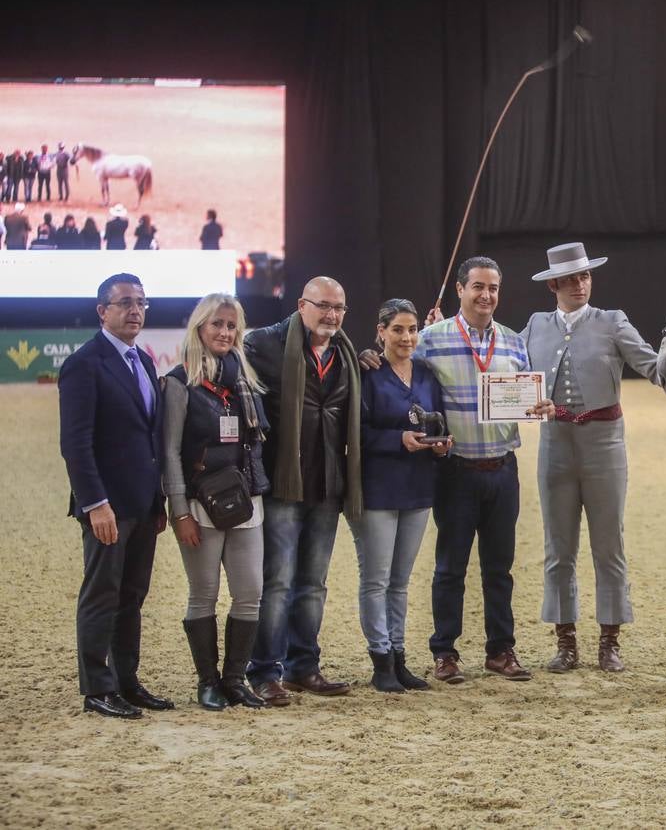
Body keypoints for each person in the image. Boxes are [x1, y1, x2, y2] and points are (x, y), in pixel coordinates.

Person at [523, 243, 666, 672]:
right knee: (558, 548)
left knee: (609, 545)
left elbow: (653, 366)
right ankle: (565, 641)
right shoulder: (535, 326)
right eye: (570, 279)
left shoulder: (611, 322)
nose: (579, 284)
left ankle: (609, 640)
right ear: (553, 284)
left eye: (585, 276)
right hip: (554, 445)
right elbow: (502, 364)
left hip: (604, 445)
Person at [390, 257, 549, 684]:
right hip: (456, 472)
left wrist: (540, 406)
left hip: (502, 468)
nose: (486, 295)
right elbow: (398, 365)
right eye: (477, 286)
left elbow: (527, 399)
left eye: (493, 288)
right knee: (450, 568)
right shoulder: (430, 339)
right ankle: (445, 652)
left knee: (500, 568)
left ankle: (501, 650)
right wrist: (373, 357)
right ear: (460, 289)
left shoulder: (515, 343)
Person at [243, 277, 363, 705]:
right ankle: (264, 671)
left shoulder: (347, 354)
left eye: (339, 308)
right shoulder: (263, 345)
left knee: (313, 582)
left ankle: (303, 666)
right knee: (276, 582)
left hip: (328, 485)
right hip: (284, 485)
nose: (331, 315)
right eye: (323, 306)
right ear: (301, 305)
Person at [58, 273, 172, 719]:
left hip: (142, 506)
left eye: (141, 302)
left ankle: (126, 680)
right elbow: (76, 444)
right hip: (106, 507)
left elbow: (150, 439)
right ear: (102, 311)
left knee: (132, 596)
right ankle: (97, 688)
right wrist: (95, 504)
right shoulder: (84, 364)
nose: (135, 310)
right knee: (102, 595)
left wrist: (157, 502)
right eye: (124, 302)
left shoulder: (143, 361)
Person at [162, 294, 271, 710]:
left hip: (246, 504)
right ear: (199, 329)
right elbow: (170, 451)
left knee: (250, 593)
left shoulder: (246, 380)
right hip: (200, 507)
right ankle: (207, 682)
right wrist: (180, 512)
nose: (225, 332)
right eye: (217, 325)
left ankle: (235, 680)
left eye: (231, 326)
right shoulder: (179, 382)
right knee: (203, 593)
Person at [354, 299, 450, 692]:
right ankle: (380, 660)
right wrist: (398, 439)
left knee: (400, 581)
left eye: (412, 330)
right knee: (375, 579)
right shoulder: (368, 375)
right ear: (381, 331)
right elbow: (355, 433)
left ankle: (398, 656)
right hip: (378, 487)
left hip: (417, 487)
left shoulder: (427, 373)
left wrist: (442, 445)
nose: (407, 337)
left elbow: (439, 419)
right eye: (398, 329)